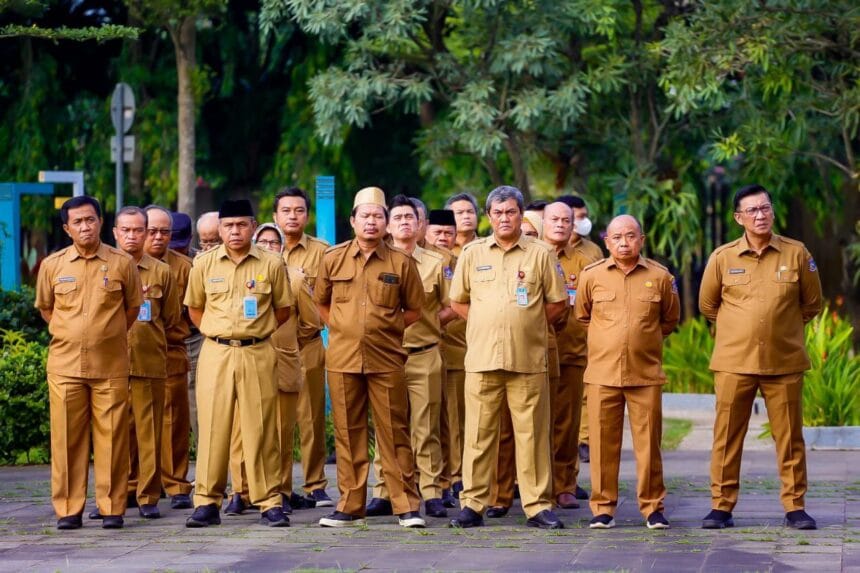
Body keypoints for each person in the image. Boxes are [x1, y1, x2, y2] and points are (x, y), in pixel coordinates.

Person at [699, 184, 822, 531]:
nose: (760, 215)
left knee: (789, 437)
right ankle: (721, 506)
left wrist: (780, 330)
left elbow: (812, 303)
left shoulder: (796, 253)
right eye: (752, 211)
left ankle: (795, 506)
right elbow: (708, 305)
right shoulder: (723, 257)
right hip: (734, 362)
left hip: (783, 362)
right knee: (726, 436)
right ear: (739, 218)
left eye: (765, 208)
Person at [448, 185, 568, 530]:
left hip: (527, 359)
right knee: (479, 434)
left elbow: (558, 303)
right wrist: (488, 323)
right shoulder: (472, 253)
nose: (504, 218)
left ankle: (537, 505)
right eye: (498, 213)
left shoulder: (541, 253)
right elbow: (458, 301)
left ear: (520, 215)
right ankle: (472, 504)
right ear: (489, 217)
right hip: (482, 359)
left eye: (511, 212)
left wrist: (527, 324)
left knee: (532, 435)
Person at [313, 186, 425, 528]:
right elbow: (321, 302)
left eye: (379, 216)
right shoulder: (333, 259)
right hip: (343, 359)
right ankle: (349, 505)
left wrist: (386, 329)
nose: (372, 222)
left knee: (394, 432)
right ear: (353, 220)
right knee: (348, 433)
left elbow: (415, 309)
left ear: (386, 223)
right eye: (366, 216)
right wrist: (344, 328)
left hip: (387, 358)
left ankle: (405, 505)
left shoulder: (401, 262)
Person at [35, 196, 142, 530]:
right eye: (78, 222)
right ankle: (68, 509)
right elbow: (46, 308)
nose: (85, 226)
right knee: (67, 438)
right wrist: (73, 334)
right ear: (67, 228)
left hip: (109, 365)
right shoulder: (52, 265)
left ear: (100, 222)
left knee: (112, 438)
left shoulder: (122, 262)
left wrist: (104, 335)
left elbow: (132, 309)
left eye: (91, 220)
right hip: (65, 366)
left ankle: (112, 508)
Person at [183, 199, 292, 528]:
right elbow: (195, 309)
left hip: (257, 351)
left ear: (253, 226)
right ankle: (206, 501)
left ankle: (269, 501)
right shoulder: (203, 264)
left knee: (260, 426)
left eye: (242, 224)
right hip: (215, 351)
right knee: (213, 428)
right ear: (219, 229)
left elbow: (283, 309)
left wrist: (255, 331)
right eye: (228, 225)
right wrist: (217, 334)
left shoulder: (271, 263)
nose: (235, 231)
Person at [574, 215, 680, 530]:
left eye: (631, 236)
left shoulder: (660, 276)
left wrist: (641, 341)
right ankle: (603, 508)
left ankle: (652, 507)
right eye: (617, 237)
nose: (624, 242)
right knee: (603, 444)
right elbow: (582, 316)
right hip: (602, 374)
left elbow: (669, 320)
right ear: (606, 241)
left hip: (644, 374)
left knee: (649, 445)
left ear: (641, 239)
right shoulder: (591, 276)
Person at [367, 195, 456, 519]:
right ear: (388, 226)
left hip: (424, 354)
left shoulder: (436, 262)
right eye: (399, 217)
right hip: (385, 354)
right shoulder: (376, 262)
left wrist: (428, 322)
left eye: (410, 218)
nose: (405, 222)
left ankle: (431, 492)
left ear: (421, 226)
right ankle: (383, 491)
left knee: (426, 426)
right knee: (386, 426)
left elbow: (453, 305)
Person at [227, 223, 323, 516]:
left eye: (274, 242)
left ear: (282, 247)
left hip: (283, 362)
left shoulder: (294, 278)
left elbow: (310, 323)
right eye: (263, 241)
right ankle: (240, 492)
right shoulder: (242, 277)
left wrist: (288, 344)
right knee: (240, 430)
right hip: (245, 360)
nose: (269, 246)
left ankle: (280, 489)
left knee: (280, 430)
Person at [111, 206, 181, 520]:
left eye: (139, 229)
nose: (133, 236)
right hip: (110, 362)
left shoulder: (161, 271)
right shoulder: (106, 267)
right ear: (114, 232)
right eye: (126, 230)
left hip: (149, 358)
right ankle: (119, 491)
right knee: (114, 431)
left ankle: (148, 495)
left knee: (149, 429)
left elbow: (171, 316)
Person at [274, 187, 333, 508]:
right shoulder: (264, 250)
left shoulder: (323, 251)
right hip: (272, 348)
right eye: (286, 210)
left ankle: (315, 484)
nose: (292, 216)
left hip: (308, 344)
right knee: (278, 420)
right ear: (275, 216)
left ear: (307, 215)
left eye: (298, 210)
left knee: (311, 417)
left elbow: (330, 298)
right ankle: (280, 487)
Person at [543, 201, 600, 506]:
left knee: (567, 424)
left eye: (567, 220)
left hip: (571, 350)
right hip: (533, 352)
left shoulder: (585, 262)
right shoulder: (531, 256)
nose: (561, 225)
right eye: (555, 219)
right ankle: (530, 485)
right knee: (535, 423)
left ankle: (565, 484)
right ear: (543, 222)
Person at [143, 205, 194, 511]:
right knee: (134, 424)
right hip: (133, 355)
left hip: (171, 350)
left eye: (165, 232)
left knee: (174, 421)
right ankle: (137, 484)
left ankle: (176, 484)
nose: (159, 237)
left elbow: (194, 309)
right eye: (152, 231)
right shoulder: (125, 264)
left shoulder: (184, 267)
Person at [425, 208, 467, 504]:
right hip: (424, 351)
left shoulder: (461, 262)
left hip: (455, 350)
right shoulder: (418, 261)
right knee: (432, 421)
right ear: (426, 231)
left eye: (448, 233)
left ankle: (456, 478)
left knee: (456, 420)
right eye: (437, 232)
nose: (443, 237)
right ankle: (437, 479)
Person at [557, 194, 602, 463]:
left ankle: (583, 440)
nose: (581, 221)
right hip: (549, 339)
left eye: (583, 215)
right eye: (578, 215)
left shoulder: (592, 251)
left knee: (582, 395)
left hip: (583, 333)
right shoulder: (540, 251)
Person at [186, 210, 222, 455]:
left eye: (214, 241)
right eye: (204, 241)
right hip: (202, 338)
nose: (208, 246)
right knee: (198, 401)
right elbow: (193, 308)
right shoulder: (196, 264)